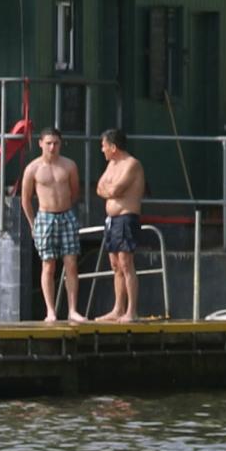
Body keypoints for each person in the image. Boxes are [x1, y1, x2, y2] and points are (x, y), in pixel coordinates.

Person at [19, 128, 83, 324]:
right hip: (45, 217)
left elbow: (75, 192)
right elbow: (26, 199)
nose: (52, 147)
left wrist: (66, 210)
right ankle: (50, 311)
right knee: (48, 265)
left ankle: (72, 309)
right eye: (48, 143)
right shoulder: (33, 168)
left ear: (60, 144)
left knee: (71, 264)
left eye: (55, 143)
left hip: (66, 215)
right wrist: (33, 223)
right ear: (41, 144)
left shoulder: (69, 165)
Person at [97, 128, 147, 324]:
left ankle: (131, 311)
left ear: (113, 147)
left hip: (127, 218)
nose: (102, 150)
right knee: (115, 265)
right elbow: (99, 187)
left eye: (104, 146)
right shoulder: (112, 164)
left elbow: (117, 189)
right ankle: (118, 308)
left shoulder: (131, 164)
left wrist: (110, 189)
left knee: (126, 264)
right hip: (112, 221)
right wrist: (110, 190)